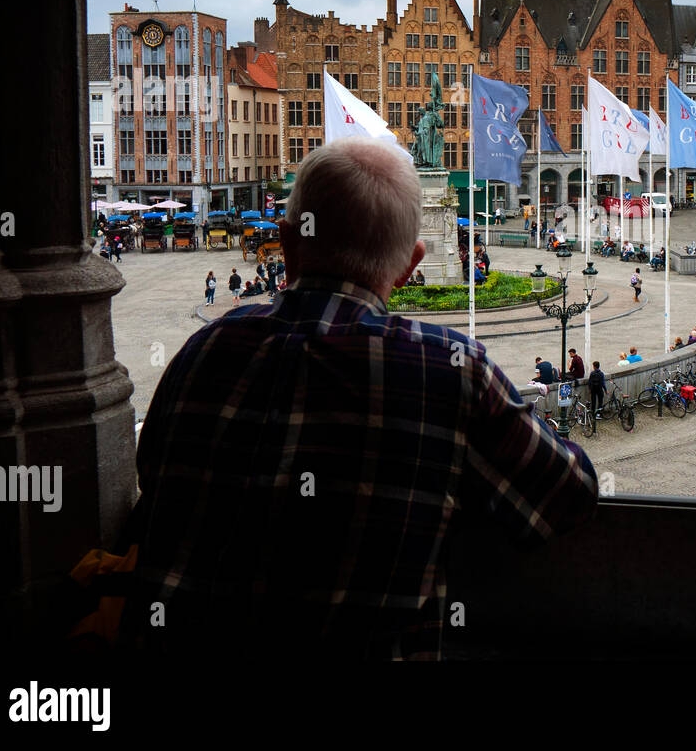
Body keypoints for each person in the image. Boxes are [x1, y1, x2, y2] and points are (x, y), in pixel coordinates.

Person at [116, 137, 599, 660]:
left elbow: (154, 476)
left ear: (288, 241)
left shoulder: (200, 353)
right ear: (411, 264)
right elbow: (568, 495)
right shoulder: (449, 370)